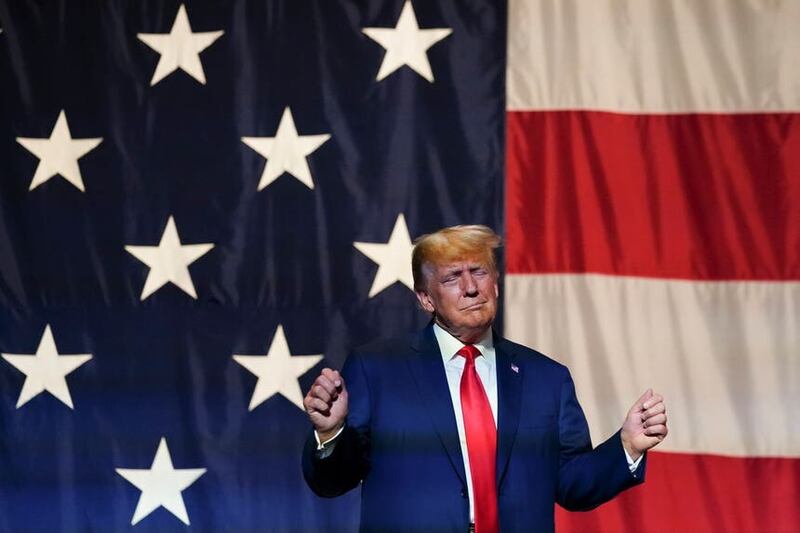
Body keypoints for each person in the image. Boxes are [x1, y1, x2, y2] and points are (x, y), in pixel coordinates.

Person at [302, 225, 667, 533]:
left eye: (478, 272)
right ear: (426, 299)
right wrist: (331, 434)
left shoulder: (547, 379)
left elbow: (572, 485)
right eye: (452, 278)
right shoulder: (377, 369)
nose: (471, 288)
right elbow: (333, 481)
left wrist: (626, 447)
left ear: (496, 283)